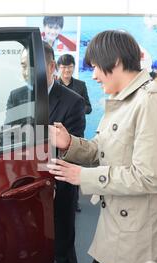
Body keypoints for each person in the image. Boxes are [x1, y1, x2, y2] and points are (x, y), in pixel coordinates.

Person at [48, 30, 157, 263]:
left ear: (116, 61)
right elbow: (103, 150)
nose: (94, 75)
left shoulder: (152, 102)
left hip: (140, 231)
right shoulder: (123, 101)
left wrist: (82, 177)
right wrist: (70, 143)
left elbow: (150, 176)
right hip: (119, 226)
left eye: (96, 67)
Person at [44, 42, 86, 263]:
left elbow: (73, 150)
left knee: (63, 251)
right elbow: (8, 138)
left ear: (51, 67)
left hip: (58, 186)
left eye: (30, 67)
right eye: (22, 67)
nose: (25, 73)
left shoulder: (73, 100)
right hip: (21, 187)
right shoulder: (16, 95)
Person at [57, 54, 92, 213]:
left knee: (75, 165)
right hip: (58, 134)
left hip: (76, 133)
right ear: (58, 68)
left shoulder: (81, 85)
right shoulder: (53, 85)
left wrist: (75, 109)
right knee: (58, 166)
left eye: (69, 66)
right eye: (63, 67)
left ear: (73, 67)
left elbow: (89, 107)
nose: (66, 70)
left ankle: (74, 200)